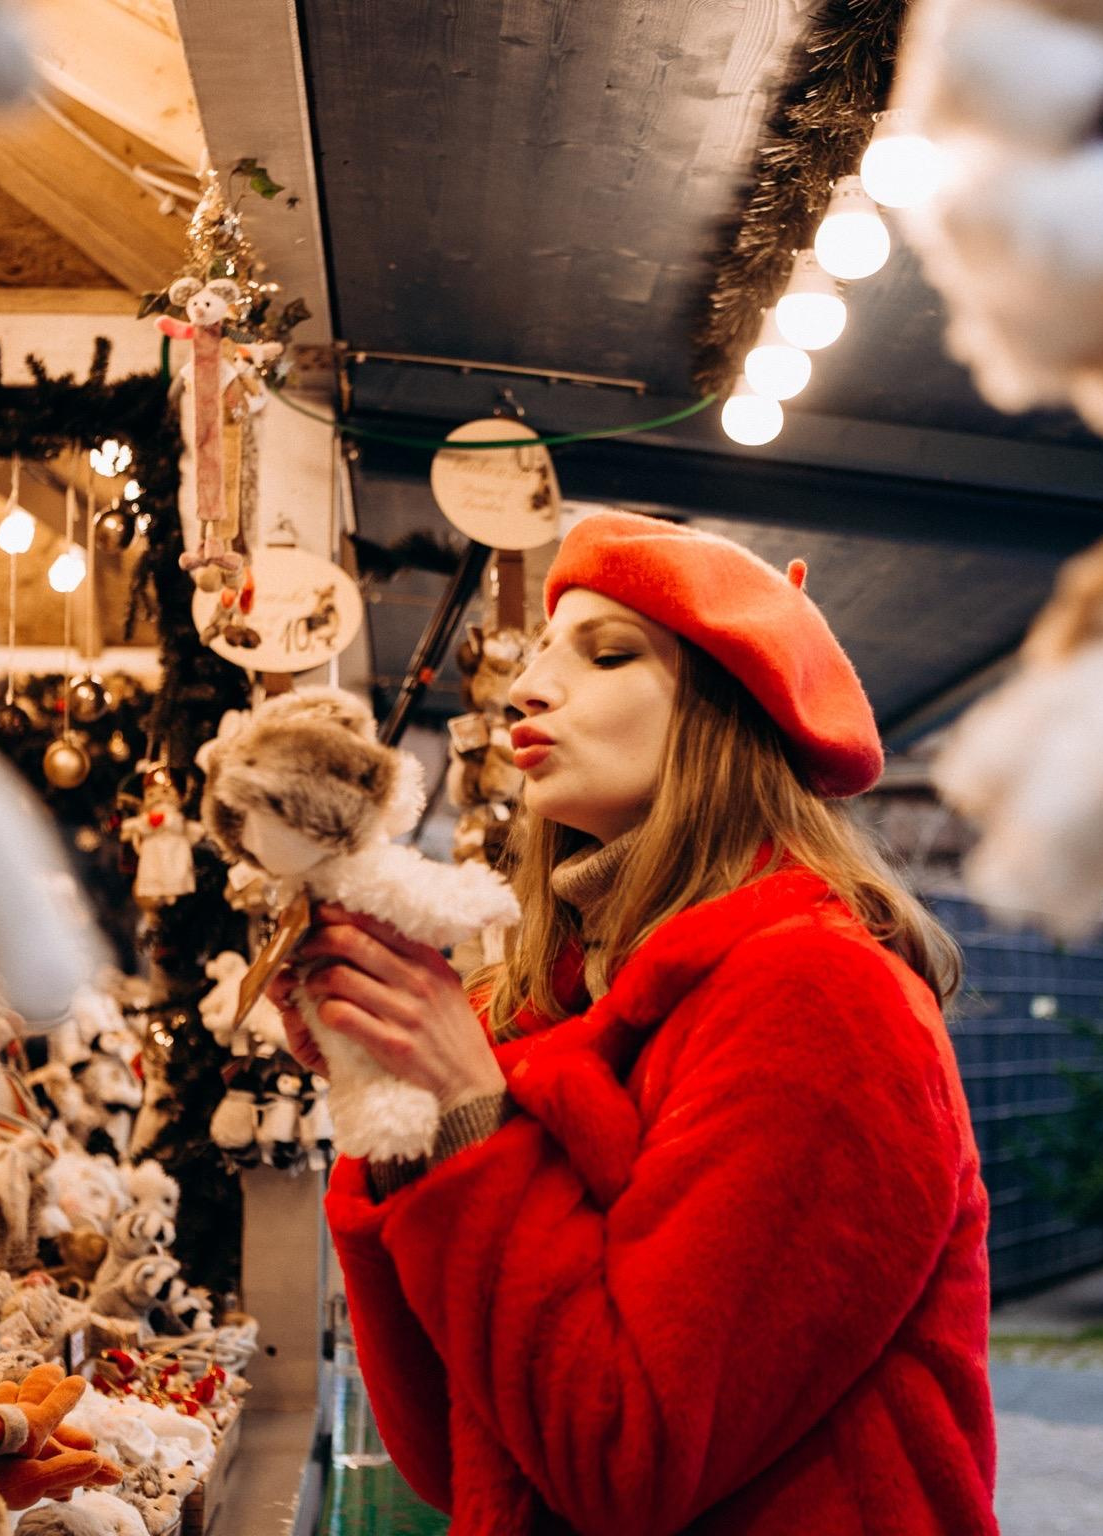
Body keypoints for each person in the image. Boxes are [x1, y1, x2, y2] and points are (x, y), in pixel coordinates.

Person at [269, 511, 997, 1535]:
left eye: (607, 654)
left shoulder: (823, 996)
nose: (527, 689)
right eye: (540, 653)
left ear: (723, 712)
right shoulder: (557, 1004)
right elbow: (452, 1454)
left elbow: (628, 1456)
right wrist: (395, 1101)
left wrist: (470, 1112)